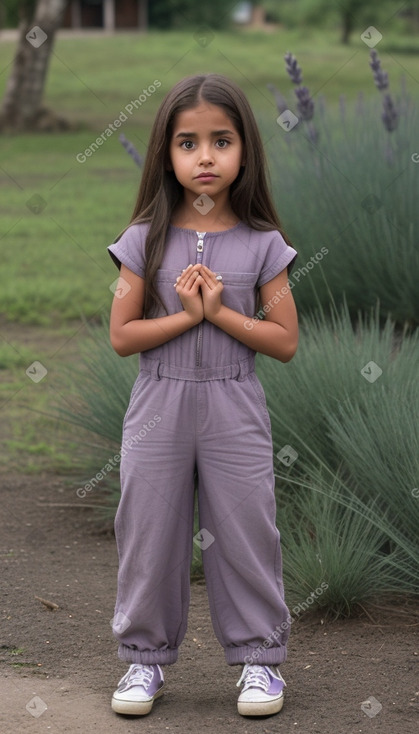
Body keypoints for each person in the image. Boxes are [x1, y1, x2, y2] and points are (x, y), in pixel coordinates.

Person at [107, 73, 299, 718]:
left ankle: (259, 663)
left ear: (245, 150)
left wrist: (219, 315)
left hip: (233, 406)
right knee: (149, 531)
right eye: (188, 143)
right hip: (157, 407)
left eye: (222, 140)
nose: (206, 157)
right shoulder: (143, 239)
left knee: (246, 530)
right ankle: (144, 660)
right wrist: (189, 317)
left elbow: (283, 340)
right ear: (166, 153)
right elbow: (123, 335)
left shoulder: (264, 243)